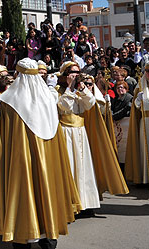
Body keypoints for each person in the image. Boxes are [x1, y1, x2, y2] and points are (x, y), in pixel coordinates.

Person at [0, 58, 81, 249]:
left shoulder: (7, 102)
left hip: (20, 159)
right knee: (47, 189)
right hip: (48, 159)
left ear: (19, 76)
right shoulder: (49, 98)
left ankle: (22, 236)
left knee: (24, 193)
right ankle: (49, 235)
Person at [56, 62, 101, 215]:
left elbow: (90, 104)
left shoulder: (79, 90)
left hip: (80, 131)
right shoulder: (58, 90)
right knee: (71, 166)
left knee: (83, 167)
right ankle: (71, 203)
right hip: (66, 131)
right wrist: (69, 88)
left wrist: (81, 88)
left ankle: (86, 202)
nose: (76, 75)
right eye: (72, 72)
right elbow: (64, 107)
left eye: (77, 72)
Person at [111, 80, 133, 164]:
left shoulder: (129, 98)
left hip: (125, 125)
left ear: (126, 89)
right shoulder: (115, 99)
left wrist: (113, 117)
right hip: (117, 125)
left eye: (122, 87)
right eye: (118, 87)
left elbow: (125, 110)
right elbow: (112, 109)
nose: (120, 89)